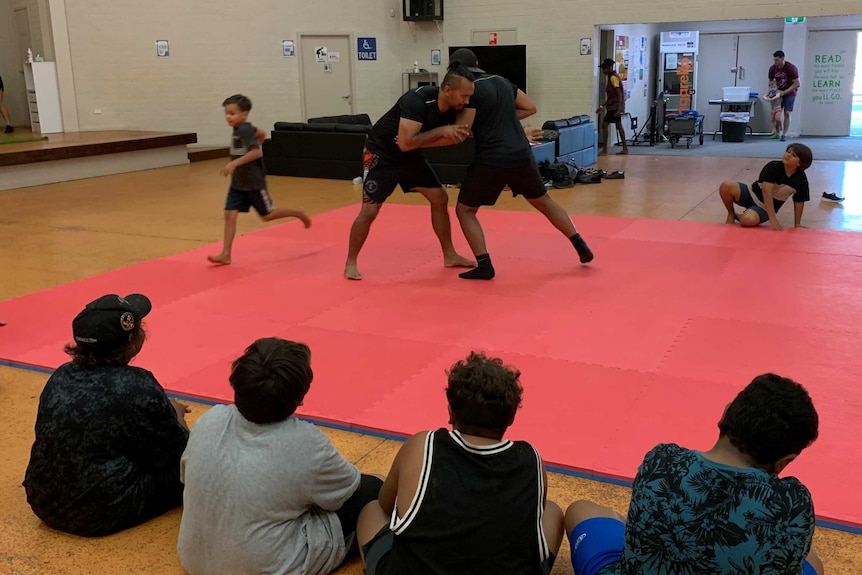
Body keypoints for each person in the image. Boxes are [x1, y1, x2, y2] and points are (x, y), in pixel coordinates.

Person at [565, 373, 823, 575]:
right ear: (784, 462)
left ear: (725, 413)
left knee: (582, 509)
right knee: (812, 561)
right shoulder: (794, 503)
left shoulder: (662, 460)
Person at [178, 337, 382, 575]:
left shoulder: (210, 419)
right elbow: (351, 489)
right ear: (300, 397)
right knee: (374, 489)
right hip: (267, 569)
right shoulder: (306, 442)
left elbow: (187, 479)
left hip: (193, 560)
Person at [356, 351, 565, 574]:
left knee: (372, 511)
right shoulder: (531, 458)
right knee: (551, 512)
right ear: (511, 417)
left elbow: (385, 503)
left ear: (451, 412)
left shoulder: (422, 445)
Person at [23, 294, 190, 537]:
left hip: (41, 501)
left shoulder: (60, 375)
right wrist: (177, 417)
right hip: (98, 514)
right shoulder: (138, 385)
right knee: (189, 463)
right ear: (133, 341)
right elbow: (178, 452)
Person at [448, 48, 593, 280]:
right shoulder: (502, 81)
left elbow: (463, 131)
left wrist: (487, 124)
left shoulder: (468, 89)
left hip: (492, 156)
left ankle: (484, 265)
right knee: (544, 202)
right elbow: (530, 108)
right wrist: (503, 119)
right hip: (520, 152)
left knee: (465, 210)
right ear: (477, 62)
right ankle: (580, 244)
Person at [344, 65, 477, 280]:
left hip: (412, 157)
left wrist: (421, 141)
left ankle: (449, 254)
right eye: (464, 96)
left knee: (440, 198)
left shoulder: (456, 109)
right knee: (369, 211)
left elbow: (449, 139)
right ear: (448, 90)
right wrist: (440, 132)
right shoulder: (416, 100)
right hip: (381, 155)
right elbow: (406, 143)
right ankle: (350, 262)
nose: (467, 101)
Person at [208, 94, 311, 265]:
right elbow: (261, 133)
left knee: (267, 215)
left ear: (244, 114)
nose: (228, 117)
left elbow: (257, 152)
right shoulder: (240, 128)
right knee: (229, 215)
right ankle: (226, 254)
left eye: (232, 113)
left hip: (254, 183)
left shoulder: (245, 130)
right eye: (226, 113)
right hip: (238, 184)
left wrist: (233, 164)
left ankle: (297, 213)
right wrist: (258, 141)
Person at [718, 143, 812, 230]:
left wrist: (797, 224)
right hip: (751, 194)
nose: (788, 155)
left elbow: (799, 201)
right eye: (788, 152)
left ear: (800, 163)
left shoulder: (801, 179)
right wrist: (772, 218)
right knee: (726, 185)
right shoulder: (773, 167)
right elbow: (766, 192)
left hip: (764, 207)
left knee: (747, 220)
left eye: (793, 155)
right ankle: (731, 212)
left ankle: (737, 215)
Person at [596, 59, 628, 155]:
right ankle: (625, 148)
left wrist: (618, 109)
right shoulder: (612, 77)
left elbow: (619, 94)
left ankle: (605, 149)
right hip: (613, 106)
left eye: (604, 68)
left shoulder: (613, 78)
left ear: (609, 68)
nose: (603, 71)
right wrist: (602, 106)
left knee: (604, 125)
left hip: (614, 108)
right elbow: (612, 96)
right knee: (619, 126)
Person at [768, 50, 800, 142]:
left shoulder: (791, 68)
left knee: (787, 113)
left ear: (782, 59)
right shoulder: (772, 68)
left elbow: (797, 84)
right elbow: (770, 82)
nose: (775, 62)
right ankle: (778, 132)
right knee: (776, 115)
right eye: (774, 60)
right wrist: (772, 92)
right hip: (778, 93)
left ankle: (784, 134)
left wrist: (784, 92)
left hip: (790, 92)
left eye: (777, 60)